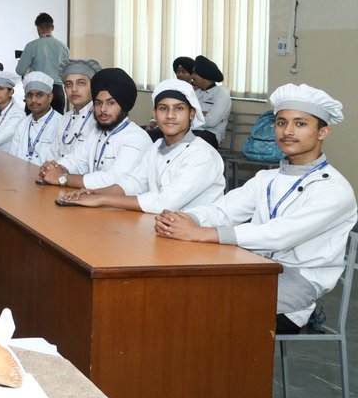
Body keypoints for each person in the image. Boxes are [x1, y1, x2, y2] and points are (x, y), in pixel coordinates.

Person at [156, 84, 357, 334]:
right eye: (281, 123)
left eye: (301, 124)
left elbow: (281, 234)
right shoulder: (267, 178)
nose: (288, 131)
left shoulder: (334, 189)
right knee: (179, 290)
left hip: (297, 285)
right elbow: (224, 210)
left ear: (322, 132)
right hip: (255, 266)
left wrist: (201, 233)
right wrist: (185, 218)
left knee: (202, 305)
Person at [58, 78, 225, 213]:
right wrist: (93, 193)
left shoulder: (203, 155)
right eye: (163, 108)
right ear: (154, 114)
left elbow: (165, 202)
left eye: (179, 108)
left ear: (192, 113)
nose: (170, 116)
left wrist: (101, 199)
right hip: (162, 228)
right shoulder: (157, 146)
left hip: (197, 239)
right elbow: (134, 183)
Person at [37, 67, 152, 189]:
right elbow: (76, 160)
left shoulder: (136, 138)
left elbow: (115, 179)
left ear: (123, 106)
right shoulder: (97, 133)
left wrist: (63, 178)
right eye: (98, 103)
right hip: (93, 200)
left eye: (110, 103)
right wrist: (53, 168)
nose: (102, 109)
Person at [15, 12, 70, 114]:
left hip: (37, 91)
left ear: (38, 28)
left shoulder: (31, 46)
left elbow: (20, 70)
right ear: (52, 27)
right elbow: (66, 71)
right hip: (58, 91)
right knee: (57, 125)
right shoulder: (63, 47)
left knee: (33, 125)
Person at [4, 72, 59, 164]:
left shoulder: (60, 123)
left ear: (50, 97)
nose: (33, 100)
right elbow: (12, 158)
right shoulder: (22, 124)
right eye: (29, 96)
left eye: (39, 95)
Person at [52, 59, 101, 159]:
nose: (74, 89)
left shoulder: (101, 119)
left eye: (81, 83)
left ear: (93, 87)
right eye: (69, 84)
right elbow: (53, 153)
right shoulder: (64, 119)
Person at [191, 55, 231, 148]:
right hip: (191, 131)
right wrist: (201, 114)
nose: (192, 76)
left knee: (188, 144)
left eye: (195, 74)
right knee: (161, 135)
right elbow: (184, 115)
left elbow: (211, 122)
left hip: (210, 134)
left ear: (204, 76)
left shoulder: (221, 93)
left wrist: (193, 114)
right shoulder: (197, 92)